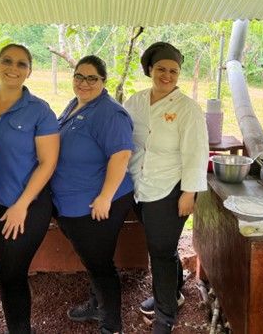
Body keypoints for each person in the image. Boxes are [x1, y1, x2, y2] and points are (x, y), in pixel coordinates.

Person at [0, 44, 59, 334]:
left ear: (29, 71)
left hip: (23, 202)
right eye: (7, 61)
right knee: (1, 263)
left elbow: (47, 162)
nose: (13, 68)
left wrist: (21, 205)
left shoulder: (39, 111)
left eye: (21, 64)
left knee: (10, 276)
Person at [124, 42, 209, 334]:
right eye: (161, 69)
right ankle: (174, 293)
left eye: (173, 71)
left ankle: (165, 316)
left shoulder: (187, 108)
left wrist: (189, 193)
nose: (167, 75)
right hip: (139, 185)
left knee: (159, 252)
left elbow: (196, 152)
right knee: (164, 246)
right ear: (150, 69)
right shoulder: (135, 102)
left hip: (171, 189)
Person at [50, 55, 135, 334]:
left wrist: (105, 197)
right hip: (71, 202)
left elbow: (121, 156)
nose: (84, 83)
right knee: (90, 258)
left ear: (103, 81)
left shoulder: (110, 113)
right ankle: (97, 304)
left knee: (99, 263)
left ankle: (112, 324)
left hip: (97, 202)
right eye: (79, 76)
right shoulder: (76, 104)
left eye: (92, 78)